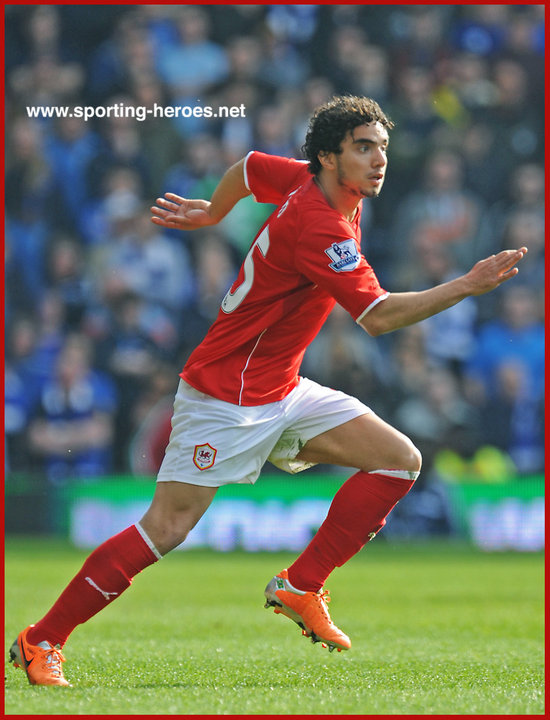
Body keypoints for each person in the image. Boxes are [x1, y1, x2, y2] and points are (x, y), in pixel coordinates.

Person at [9, 95, 527, 686]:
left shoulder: (313, 180)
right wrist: (468, 283)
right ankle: (40, 639)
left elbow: (250, 168)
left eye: (382, 146)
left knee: (397, 462)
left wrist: (212, 213)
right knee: (166, 529)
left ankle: (301, 586)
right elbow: (378, 317)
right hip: (223, 396)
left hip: (281, 390)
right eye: (364, 148)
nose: (379, 159)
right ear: (330, 157)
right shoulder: (323, 224)